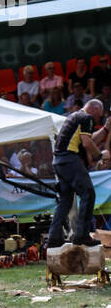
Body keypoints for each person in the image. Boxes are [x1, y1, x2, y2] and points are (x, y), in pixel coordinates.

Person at [47, 97, 108, 248]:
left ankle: (54, 238)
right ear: (93, 109)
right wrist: (100, 156)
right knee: (88, 194)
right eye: (98, 114)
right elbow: (87, 143)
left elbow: (88, 139)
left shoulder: (74, 116)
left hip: (58, 161)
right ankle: (82, 235)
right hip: (69, 160)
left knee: (65, 200)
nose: (97, 118)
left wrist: (106, 129)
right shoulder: (86, 117)